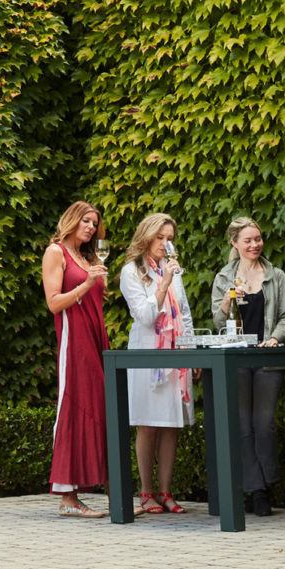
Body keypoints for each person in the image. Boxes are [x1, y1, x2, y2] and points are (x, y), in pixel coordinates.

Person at [209, 216, 285, 517]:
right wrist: (227, 301)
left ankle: (265, 482)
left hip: (268, 358)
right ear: (235, 243)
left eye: (257, 239)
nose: (255, 244)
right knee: (242, 426)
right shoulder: (224, 277)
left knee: (264, 424)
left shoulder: (276, 275)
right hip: (236, 357)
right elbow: (218, 322)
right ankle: (256, 491)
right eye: (248, 240)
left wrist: (274, 338)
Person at [118, 213, 193, 514]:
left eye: (170, 238)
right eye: (160, 237)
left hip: (175, 354)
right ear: (146, 237)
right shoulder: (130, 272)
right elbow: (146, 316)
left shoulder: (173, 270)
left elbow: (184, 314)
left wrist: (191, 351)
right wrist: (163, 285)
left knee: (171, 424)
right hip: (148, 354)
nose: (165, 243)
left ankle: (166, 490)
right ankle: (146, 492)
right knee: (148, 423)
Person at [42, 201, 110, 518]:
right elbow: (54, 303)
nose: (90, 227)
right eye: (85, 221)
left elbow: (95, 298)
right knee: (74, 406)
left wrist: (99, 284)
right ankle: (67, 498)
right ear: (71, 220)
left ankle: (102, 489)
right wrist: (85, 284)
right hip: (74, 342)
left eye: (94, 224)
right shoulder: (56, 252)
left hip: (96, 339)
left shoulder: (87, 258)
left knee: (98, 407)